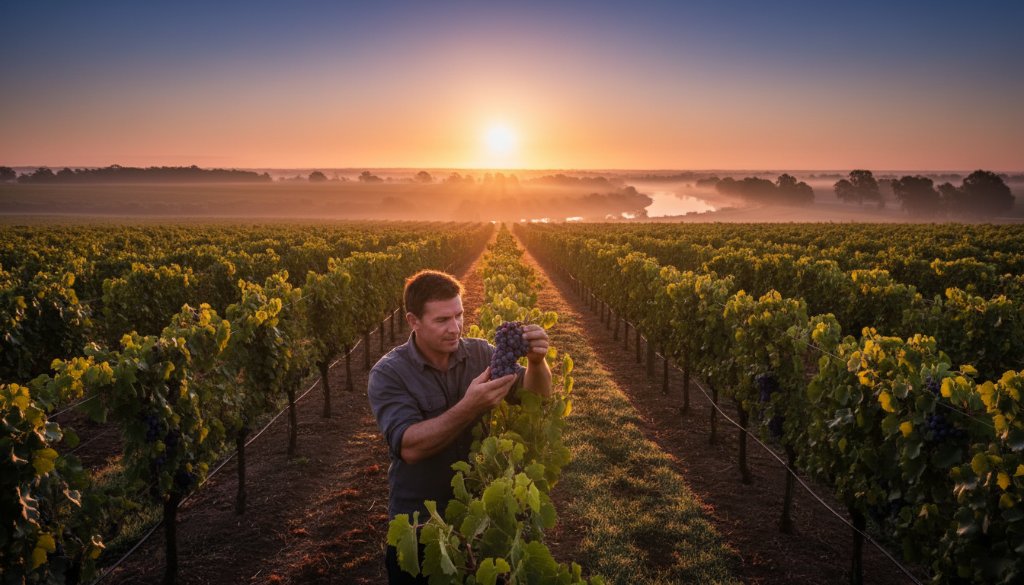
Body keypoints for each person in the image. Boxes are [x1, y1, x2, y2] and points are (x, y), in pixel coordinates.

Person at [367, 269, 552, 584]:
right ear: (413, 321)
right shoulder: (389, 374)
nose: (455, 328)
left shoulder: (480, 353)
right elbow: (410, 447)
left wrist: (537, 362)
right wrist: (471, 406)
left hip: (481, 519)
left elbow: (537, 397)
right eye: (442, 320)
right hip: (422, 525)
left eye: (459, 315)